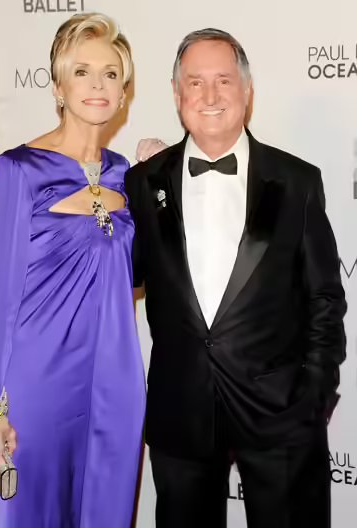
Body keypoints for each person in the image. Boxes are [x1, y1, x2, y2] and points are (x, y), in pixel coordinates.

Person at [125, 28, 346, 528]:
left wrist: (314, 396)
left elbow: (325, 299)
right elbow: (120, 276)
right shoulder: (143, 181)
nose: (210, 95)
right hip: (181, 413)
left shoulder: (297, 181)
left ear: (247, 91)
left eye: (224, 80)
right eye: (195, 82)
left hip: (281, 418)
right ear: (177, 94)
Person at [0, 12, 145, 528]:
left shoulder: (127, 175)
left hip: (116, 382)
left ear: (124, 91)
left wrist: (162, 188)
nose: (97, 85)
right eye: (82, 72)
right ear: (58, 86)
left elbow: (140, 273)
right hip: (39, 385)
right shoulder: (18, 170)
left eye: (110, 74)